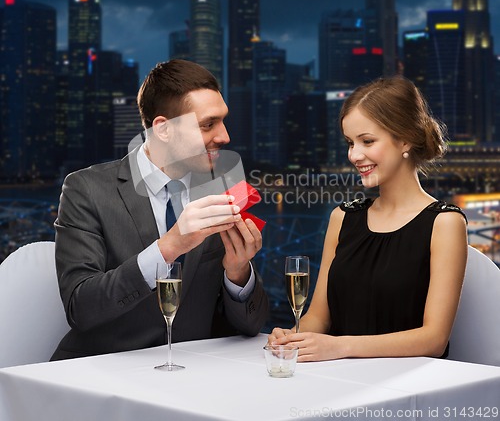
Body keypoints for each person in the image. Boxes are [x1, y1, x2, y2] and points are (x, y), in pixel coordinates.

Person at [51, 59, 268, 360]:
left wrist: (238, 273)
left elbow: (251, 325)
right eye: (208, 124)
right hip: (101, 374)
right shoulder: (86, 189)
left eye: (223, 121)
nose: (225, 136)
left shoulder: (218, 188)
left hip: (192, 375)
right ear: (163, 129)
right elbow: (81, 308)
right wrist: (169, 247)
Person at [268, 76, 468, 362]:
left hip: (409, 391)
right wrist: (292, 336)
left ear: (405, 139)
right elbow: (317, 319)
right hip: (337, 379)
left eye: (367, 141)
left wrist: (341, 347)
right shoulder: (342, 218)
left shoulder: (445, 224)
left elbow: (433, 339)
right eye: (350, 143)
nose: (354, 155)